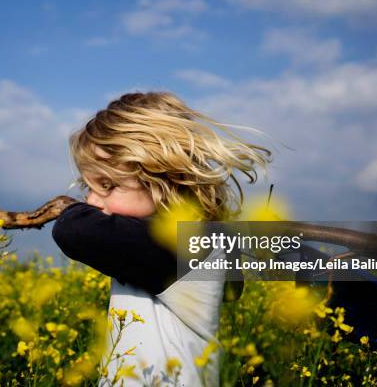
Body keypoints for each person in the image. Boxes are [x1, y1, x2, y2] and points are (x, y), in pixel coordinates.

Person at [52, 91, 272, 386]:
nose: (92, 201)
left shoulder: (182, 247)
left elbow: (72, 230)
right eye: (87, 185)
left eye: (107, 185)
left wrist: (66, 209)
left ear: (164, 180)